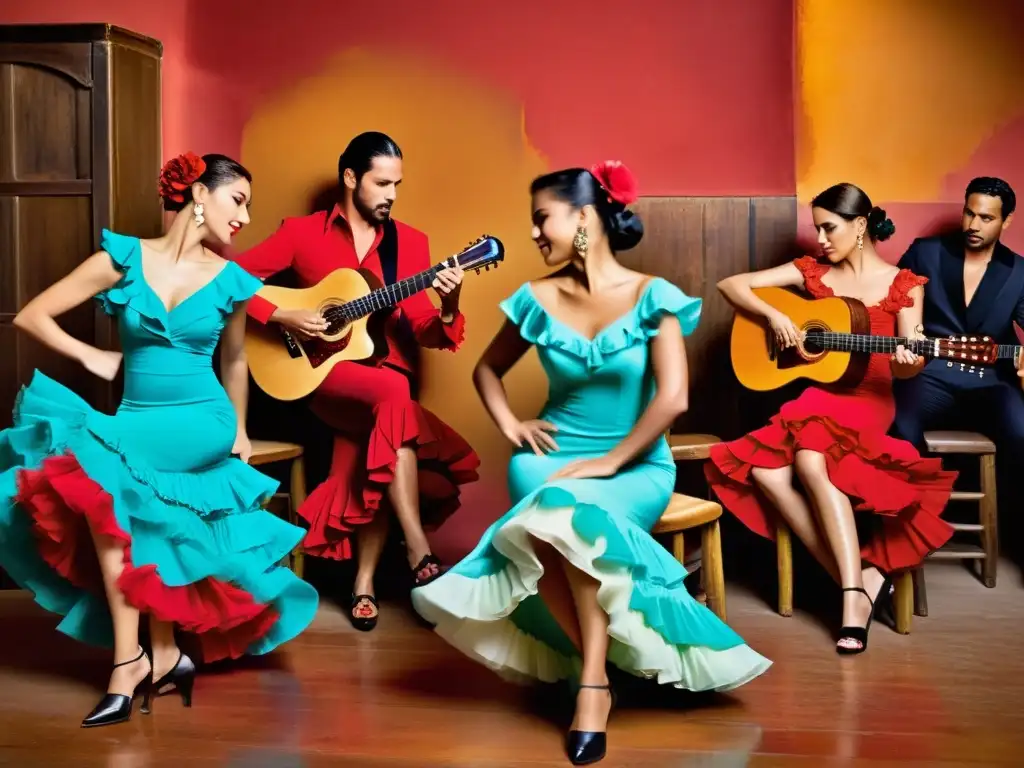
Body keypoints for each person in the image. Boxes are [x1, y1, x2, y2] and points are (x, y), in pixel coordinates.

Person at [412, 162, 771, 766]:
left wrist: (610, 463)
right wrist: (513, 427)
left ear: (583, 218)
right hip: (551, 459)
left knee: (566, 514)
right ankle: (597, 676)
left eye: (540, 218)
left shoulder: (651, 296)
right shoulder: (538, 298)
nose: (532, 233)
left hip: (634, 467)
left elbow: (673, 398)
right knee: (552, 505)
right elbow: (486, 371)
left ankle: (593, 685)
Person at [0, 152, 318, 728]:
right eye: (238, 200)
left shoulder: (231, 280)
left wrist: (241, 431)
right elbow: (32, 315)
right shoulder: (123, 259)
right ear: (199, 193)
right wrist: (91, 354)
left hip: (203, 420)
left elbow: (237, 360)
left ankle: (128, 662)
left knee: (106, 481)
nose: (245, 216)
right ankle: (162, 654)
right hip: (138, 416)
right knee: (121, 504)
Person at [231, 132, 479, 631]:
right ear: (350, 178)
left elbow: (426, 330)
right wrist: (283, 316)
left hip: (381, 379)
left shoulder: (410, 244)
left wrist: (448, 305)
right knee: (395, 397)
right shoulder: (302, 233)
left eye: (397, 184)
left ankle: (362, 584)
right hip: (319, 377)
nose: (391, 194)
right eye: (382, 182)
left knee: (382, 431)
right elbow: (229, 279)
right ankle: (419, 550)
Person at [706, 183, 957, 655]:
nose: (820, 237)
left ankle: (847, 601)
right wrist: (774, 317)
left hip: (870, 400)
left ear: (860, 226)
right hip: (821, 398)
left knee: (807, 460)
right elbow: (732, 285)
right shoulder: (813, 273)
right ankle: (858, 581)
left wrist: (909, 361)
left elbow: (912, 358)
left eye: (829, 227)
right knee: (763, 470)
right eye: (817, 226)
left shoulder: (903, 284)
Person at [892, 178, 1024, 463]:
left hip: (994, 383)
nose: (973, 225)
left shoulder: (1019, 271)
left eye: (986, 218)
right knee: (899, 428)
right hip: (930, 375)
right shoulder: (925, 252)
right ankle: (915, 505)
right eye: (969, 213)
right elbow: (890, 301)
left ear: (1007, 220)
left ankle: (1008, 509)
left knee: (1022, 432)